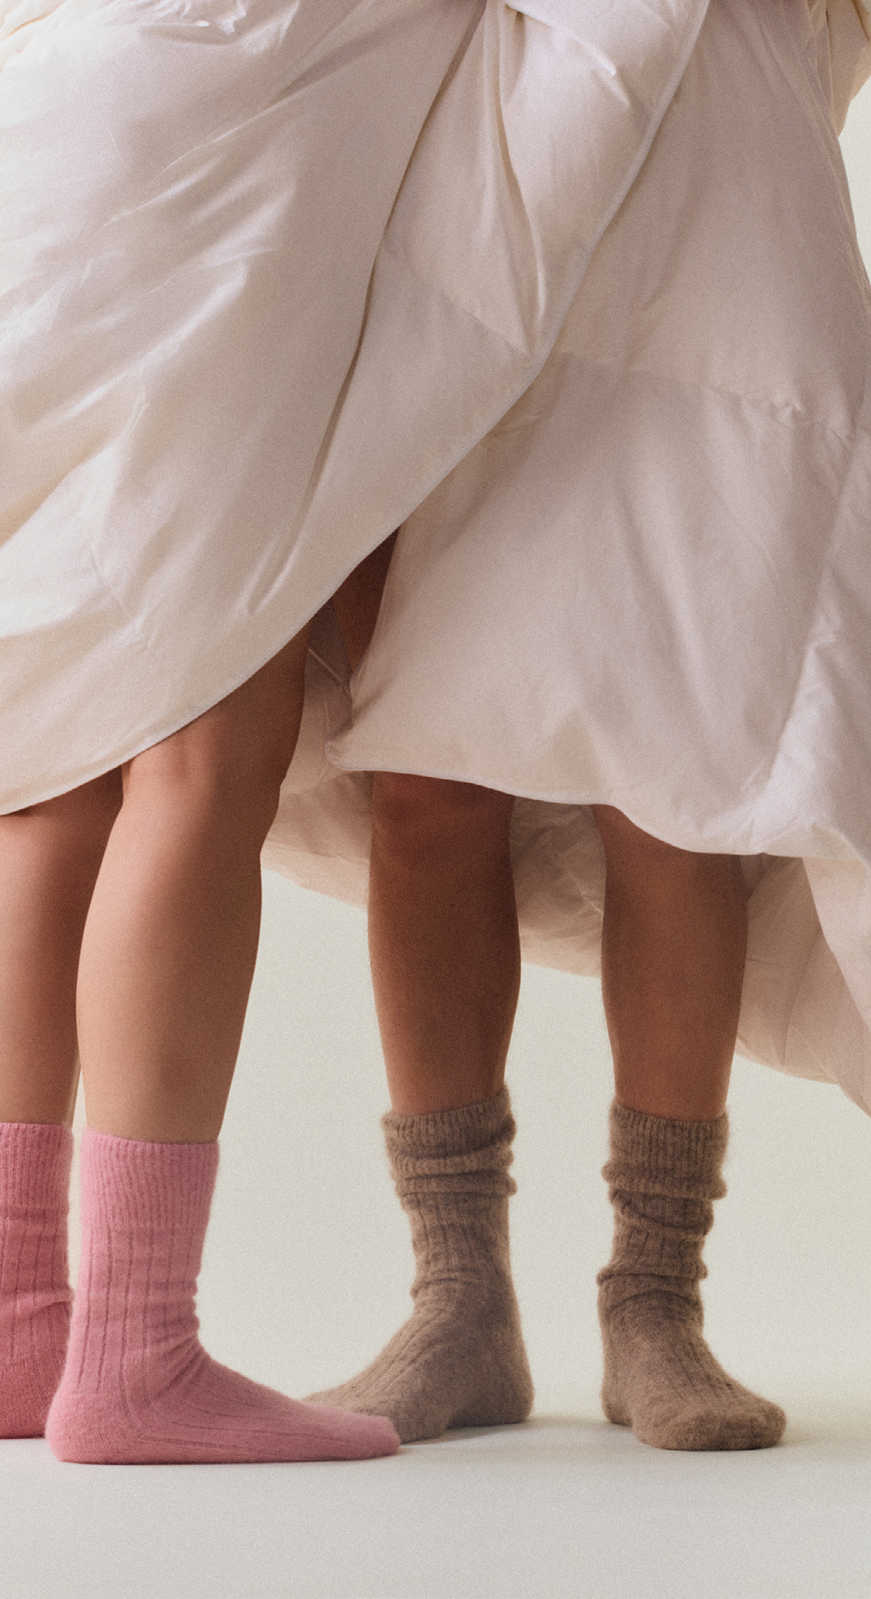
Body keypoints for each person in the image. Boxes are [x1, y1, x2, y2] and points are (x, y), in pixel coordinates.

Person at [0, 0, 715, 1463]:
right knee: (197, 750)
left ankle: (9, 1333)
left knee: (43, 772)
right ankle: (133, 1355)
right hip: (185, 212)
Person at [264, 0, 871, 1450]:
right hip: (470, 185)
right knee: (425, 766)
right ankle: (456, 1293)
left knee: (676, 773)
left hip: (717, 200)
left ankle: (653, 1298)